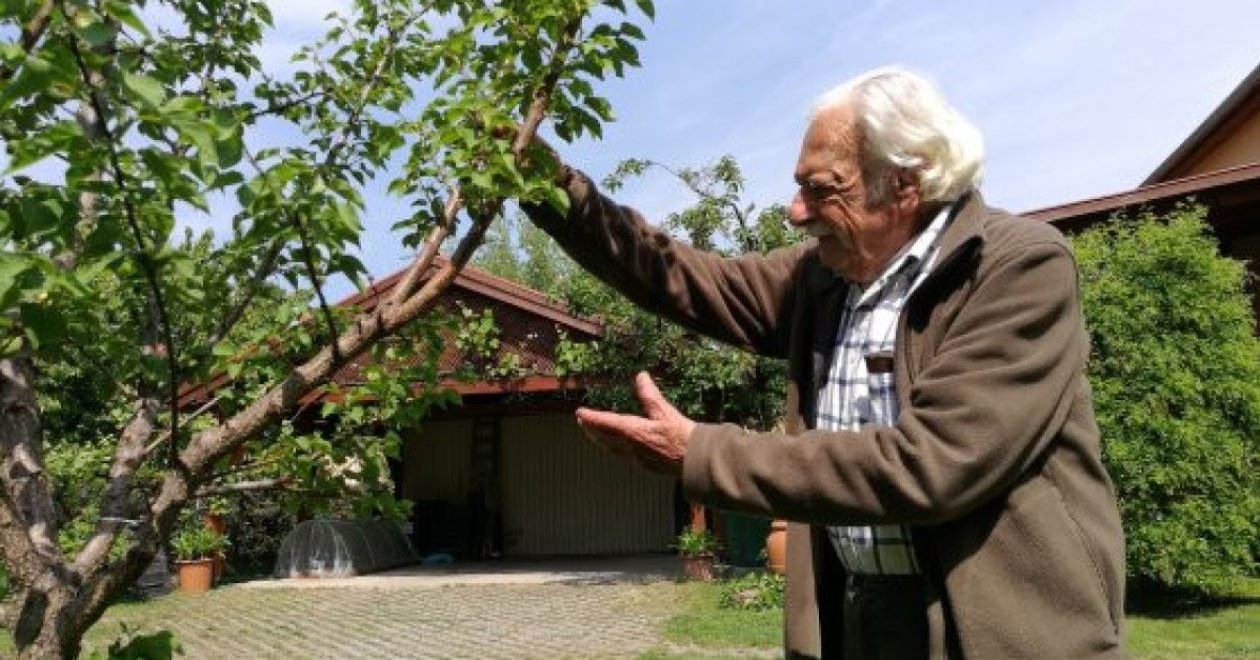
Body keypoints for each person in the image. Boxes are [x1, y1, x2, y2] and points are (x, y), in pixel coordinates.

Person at [521, 66, 1126, 658]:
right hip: (859, 615)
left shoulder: (1015, 269)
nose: (795, 210)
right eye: (799, 186)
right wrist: (553, 191)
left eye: (821, 189)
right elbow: (679, 275)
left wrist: (701, 453)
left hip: (997, 628)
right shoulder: (824, 278)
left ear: (904, 184)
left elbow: (933, 463)